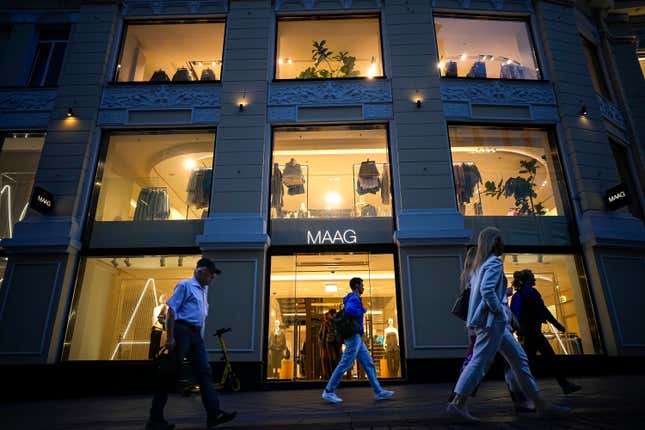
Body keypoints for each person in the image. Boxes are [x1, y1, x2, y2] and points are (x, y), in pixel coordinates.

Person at [447, 227, 569, 422]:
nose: (503, 243)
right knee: (480, 361)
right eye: (500, 239)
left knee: (518, 360)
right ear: (494, 242)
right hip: (493, 323)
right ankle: (457, 404)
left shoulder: (481, 266)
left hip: (492, 323)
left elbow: (479, 295)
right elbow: (487, 292)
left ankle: (540, 404)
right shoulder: (494, 263)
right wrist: (500, 313)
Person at [146, 258, 236, 430]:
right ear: (200, 272)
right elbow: (172, 311)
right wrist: (170, 337)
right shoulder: (185, 286)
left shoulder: (204, 289)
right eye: (210, 275)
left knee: (204, 372)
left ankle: (214, 414)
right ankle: (155, 419)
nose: (212, 279)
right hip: (181, 332)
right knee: (168, 374)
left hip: (195, 335)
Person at [322, 277, 395, 404]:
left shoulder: (353, 297)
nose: (363, 287)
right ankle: (328, 391)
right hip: (353, 337)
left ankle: (378, 391)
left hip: (357, 338)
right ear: (356, 286)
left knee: (368, 363)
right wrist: (362, 310)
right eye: (361, 285)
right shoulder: (354, 298)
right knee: (345, 363)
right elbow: (349, 310)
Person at [511, 269, 581, 394]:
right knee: (549, 358)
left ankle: (523, 388)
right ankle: (563, 385)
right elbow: (543, 310)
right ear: (528, 279)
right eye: (533, 277)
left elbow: (514, 314)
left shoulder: (518, 295)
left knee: (531, 360)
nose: (535, 279)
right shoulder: (531, 292)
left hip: (526, 332)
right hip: (534, 332)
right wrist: (557, 325)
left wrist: (517, 330)